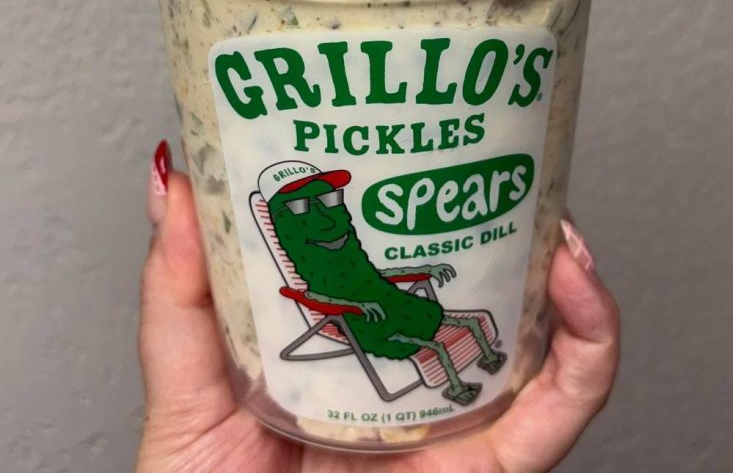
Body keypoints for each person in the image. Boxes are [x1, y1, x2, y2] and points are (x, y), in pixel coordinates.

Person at [137, 142, 620, 473]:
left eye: (330, 198)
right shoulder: (306, 253)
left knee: (468, 320)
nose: (326, 211)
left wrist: (421, 269)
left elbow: (375, 273)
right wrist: (353, 306)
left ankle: (489, 357)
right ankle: (455, 384)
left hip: (389, 300)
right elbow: (307, 293)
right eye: (305, 206)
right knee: (432, 343)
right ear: (286, 219)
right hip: (356, 318)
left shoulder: (346, 245)